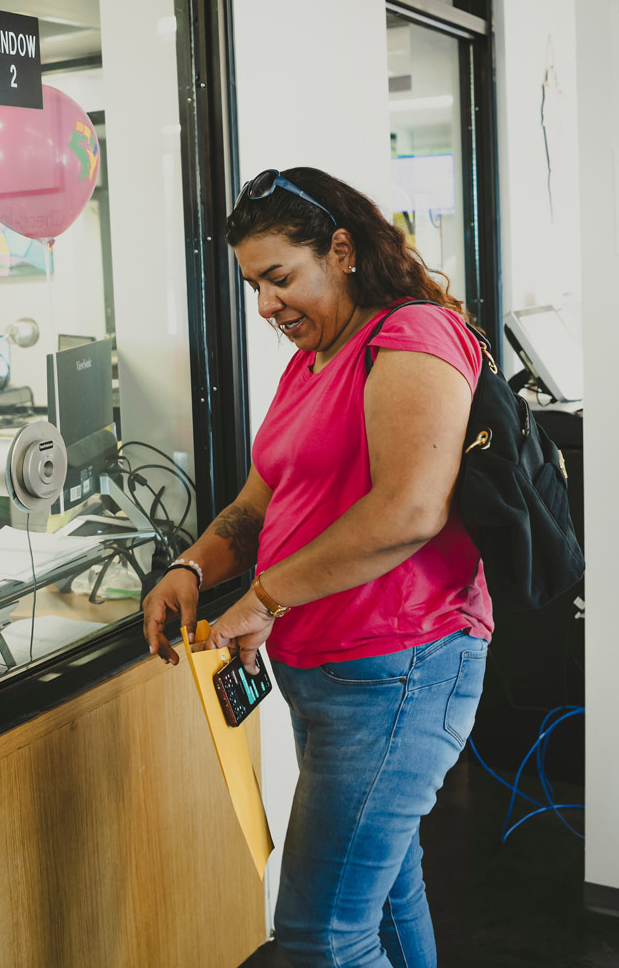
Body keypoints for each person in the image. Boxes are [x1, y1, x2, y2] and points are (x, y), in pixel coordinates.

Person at [141, 167, 492, 968]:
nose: (267, 305)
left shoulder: (411, 336)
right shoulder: (313, 360)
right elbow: (262, 499)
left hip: (399, 670)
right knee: (387, 899)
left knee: (320, 935)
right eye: (254, 287)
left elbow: (410, 508)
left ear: (340, 249)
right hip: (329, 673)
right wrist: (192, 567)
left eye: (280, 277)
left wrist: (263, 597)